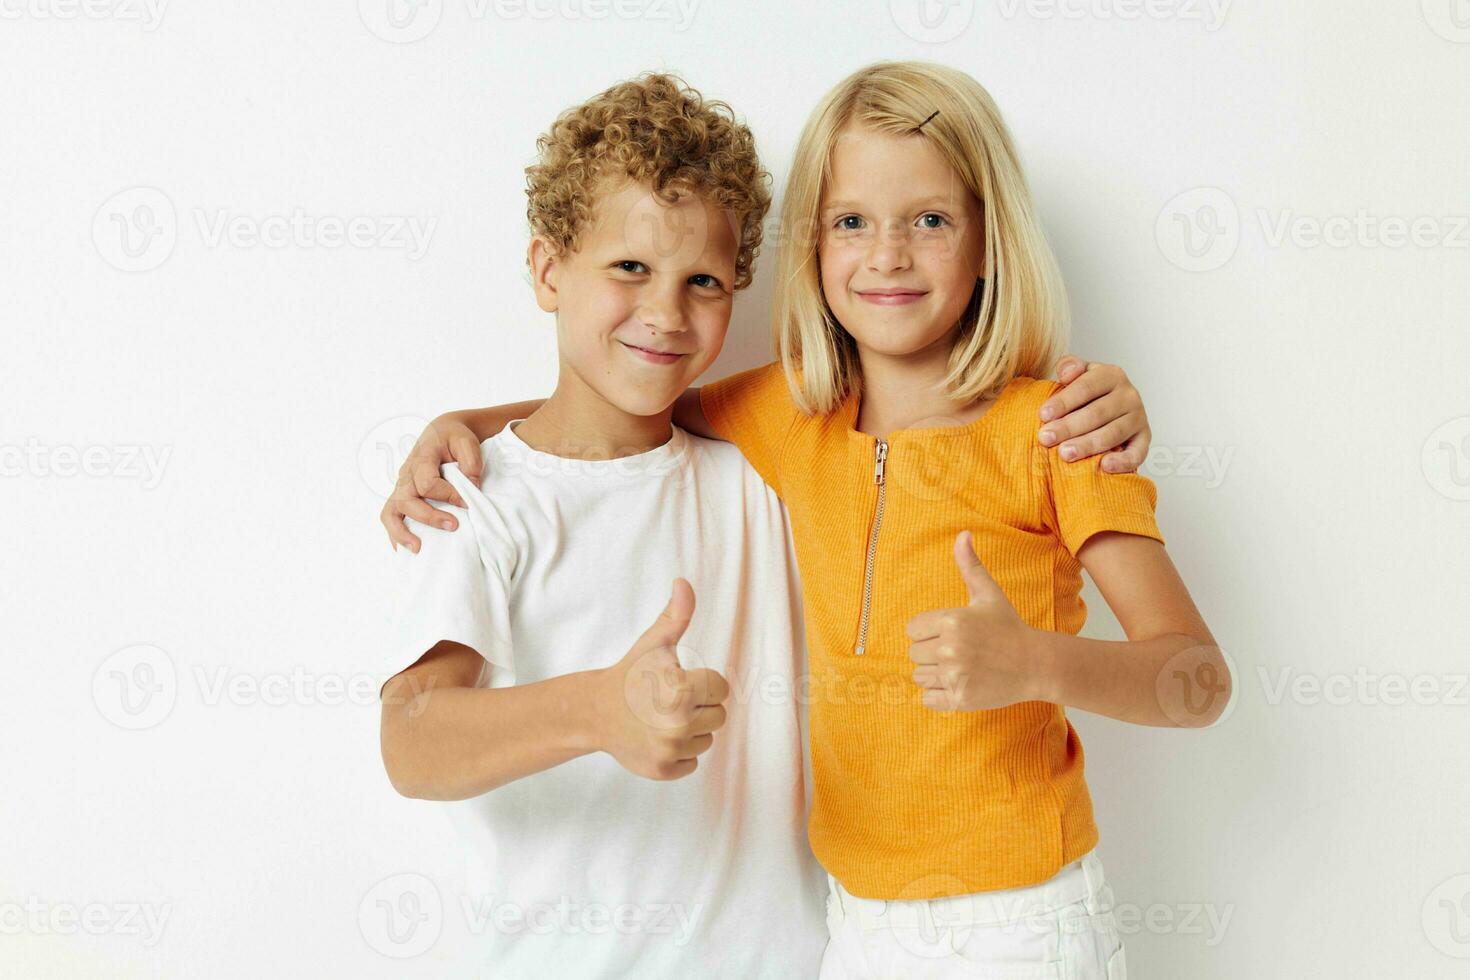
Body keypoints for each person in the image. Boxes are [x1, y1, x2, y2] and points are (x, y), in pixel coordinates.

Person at [385, 62, 1210, 978]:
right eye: (852, 221)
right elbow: (619, 412)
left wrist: (1033, 661)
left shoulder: (1026, 432)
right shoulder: (765, 425)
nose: (888, 253)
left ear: (990, 244)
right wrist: (467, 426)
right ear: (814, 247)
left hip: (1010, 925)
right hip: (851, 934)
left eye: (931, 220)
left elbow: (1194, 678)